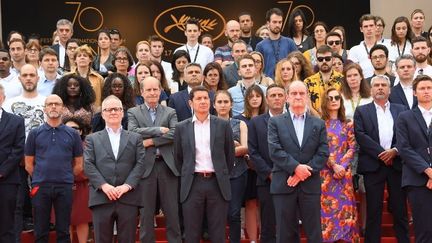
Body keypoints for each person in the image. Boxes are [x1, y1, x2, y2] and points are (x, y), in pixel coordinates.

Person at [268, 80, 329, 243]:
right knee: (285, 234)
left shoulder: (319, 123)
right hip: (283, 184)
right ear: (287, 97)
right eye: (294, 93)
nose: (298, 97)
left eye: (301, 93)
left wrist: (301, 173)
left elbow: (323, 153)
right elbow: (275, 150)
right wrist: (296, 168)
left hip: (309, 185)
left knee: (314, 233)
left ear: (307, 97)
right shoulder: (275, 122)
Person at [174, 85, 235, 243]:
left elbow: (229, 156)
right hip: (192, 183)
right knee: (192, 233)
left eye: (206, 98)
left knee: (218, 233)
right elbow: (179, 158)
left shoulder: (222, 125)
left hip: (217, 183)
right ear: (190, 103)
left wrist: (220, 174)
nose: (203, 101)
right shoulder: (181, 127)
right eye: (198, 98)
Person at [355, 75, 410, 243]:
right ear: (371, 90)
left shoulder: (401, 110)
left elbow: (407, 135)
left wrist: (394, 151)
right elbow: (360, 136)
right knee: (373, 210)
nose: (380, 88)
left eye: (383, 85)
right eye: (376, 85)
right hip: (374, 166)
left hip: (397, 165)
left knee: (400, 210)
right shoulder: (362, 111)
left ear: (389, 90)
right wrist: (382, 154)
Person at [84, 95, 145, 243]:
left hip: (128, 197)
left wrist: (126, 186)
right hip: (101, 197)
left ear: (122, 112)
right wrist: (104, 186)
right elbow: (88, 164)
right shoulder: (92, 139)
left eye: (116, 109)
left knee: (127, 239)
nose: (113, 112)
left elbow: (141, 163)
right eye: (108, 109)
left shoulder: (135, 138)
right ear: (103, 114)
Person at [128, 76, 181, 243]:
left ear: (160, 91)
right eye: (148, 90)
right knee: (146, 213)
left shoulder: (170, 112)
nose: (152, 93)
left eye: (155, 89)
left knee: (172, 212)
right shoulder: (133, 112)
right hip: (145, 168)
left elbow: (175, 133)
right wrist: (158, 129)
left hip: (167, 166)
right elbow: (133, 133)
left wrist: (150, 141)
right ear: (141, 92)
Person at [25, 94, 83, 243]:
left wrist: (65, 176)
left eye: (57, 104)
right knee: (40, 230)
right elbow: (28, 164)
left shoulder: (72, 134)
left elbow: (78, 164)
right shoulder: (34, 133)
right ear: (44, 108)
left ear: (62, 108)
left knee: (63, 230)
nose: (53, 107)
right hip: (41, 186)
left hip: (64, 186)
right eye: (50, 104)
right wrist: (41, 177)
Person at [2, 64, 45, 241]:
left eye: (32, 75)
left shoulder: (47, 100)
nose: (28, 78)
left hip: (42, 162)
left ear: (38, 78)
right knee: (16, 206)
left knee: (43, 204)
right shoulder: (9, 103)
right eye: (25, 75)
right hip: (16, 164)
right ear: (19, 78)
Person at [320, 87, 359, 242]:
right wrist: (333, 166)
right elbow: (319, 148)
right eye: (330, 98)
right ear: (325, 101)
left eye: (337, 98)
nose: (334, 100)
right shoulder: (319, 124)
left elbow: (352, 147)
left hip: (344, 173)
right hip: (325, 174)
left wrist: (341, 166)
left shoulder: (348, 124)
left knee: (346, 210)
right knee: (327, 212)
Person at [396, 74, 432, 243]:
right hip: (417, 179)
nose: (426, 91)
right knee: (423, 228)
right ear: (415, 93)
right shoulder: (405, 117)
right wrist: (428, 170)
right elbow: (404, 148)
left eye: (429, 88)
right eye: (422, 88)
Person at [248, 84, 285, 243]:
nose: (277, 98)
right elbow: (253, 151)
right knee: (268, 225)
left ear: (285, 98)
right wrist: (269, 173)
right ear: (267, 99)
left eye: (280, 95)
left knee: (289, 224)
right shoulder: (256, 122)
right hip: (266, 180)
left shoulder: (294, 119)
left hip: (292, 179)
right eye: (273, 95)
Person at [213, 90, 248, 243]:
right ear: (214, 105)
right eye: (219, 102)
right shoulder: (208, 125)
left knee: (234, 213)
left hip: (238, 172)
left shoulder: (240, 123)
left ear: (231, 104)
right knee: (218, 213)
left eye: (226, 102)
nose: (223, 105)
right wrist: (233, 146)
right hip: (215, 174)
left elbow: (245, 148)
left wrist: (223, 149)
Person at [233, 85, 266, 243]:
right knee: (251, 203)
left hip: (266, 167)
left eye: (258, 96)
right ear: (246, 99)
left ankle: (266, 238)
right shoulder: (239, 119)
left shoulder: (269, 118)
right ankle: (253, 240)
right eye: (251, 96)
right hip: (248, 167)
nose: (254, 99)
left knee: (267, 205)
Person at [0, 84, 25, 243]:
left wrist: (2, 171)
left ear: (2, 98)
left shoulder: (16, 121)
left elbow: (18, 149)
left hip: (7, 180)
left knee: (7, 224)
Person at [63, 117, 92, 243]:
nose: (71, 131)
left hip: (83, 186)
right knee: (65, 220)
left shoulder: (88, 146)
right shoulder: (57, 145)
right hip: (63, 186)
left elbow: (91, 167)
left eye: (74, 128)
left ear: (80, 131)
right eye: (67, 128)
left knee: (82, 219)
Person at [256, 8, 297, 79]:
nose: (277, 25)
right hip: (267, 84)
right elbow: (256, 67)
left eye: (280, 22)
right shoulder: (260, 45)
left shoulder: (290, 43)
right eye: (274, 22)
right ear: (268, 23)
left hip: (287, 82)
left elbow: (297, 64)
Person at [304, 45, 343, 113]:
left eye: (327, 58)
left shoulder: (343, 79)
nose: (324, 61)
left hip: (337, 120)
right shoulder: (308, 82)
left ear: (333, 59)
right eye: (320, 59)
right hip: (315, 121)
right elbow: (307, 106)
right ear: (316, 61)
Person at [70, 45, 104, 109]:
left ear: (90, 59)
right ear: (75, 60)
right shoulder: (67, 77)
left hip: (94, 114)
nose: (82, 58)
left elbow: (103, 98)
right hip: (73, 114)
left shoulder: (99, 78)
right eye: (79, 56)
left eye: (85, 56)